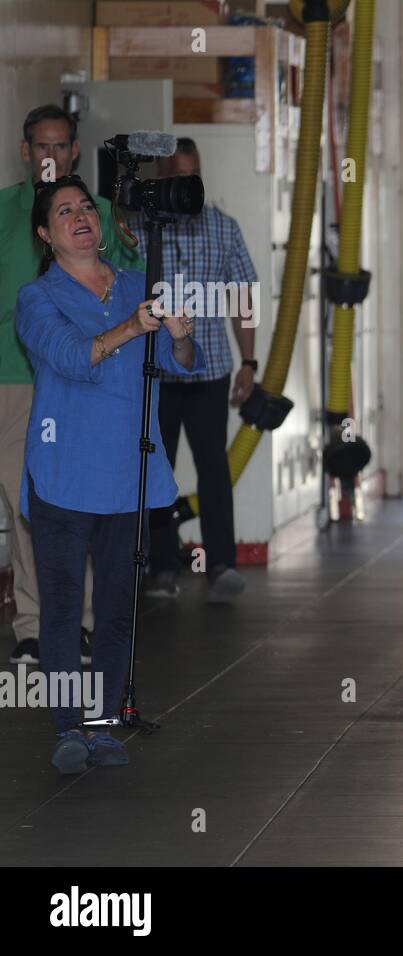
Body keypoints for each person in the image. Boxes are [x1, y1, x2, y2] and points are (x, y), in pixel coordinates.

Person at [17, 175, 204, 773]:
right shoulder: (37, 298)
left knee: (120, 607)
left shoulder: (134, 286)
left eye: (86, 208)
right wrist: (134, 327)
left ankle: (102, 726)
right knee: (66, 607)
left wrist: (178, 336)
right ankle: (68, 727)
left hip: (129, 474)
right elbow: (74, 357)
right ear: (46, 234)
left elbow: (181, 364)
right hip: (65, 476)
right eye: (63, 211)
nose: (80, 216)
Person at [0, 105, 140, 666]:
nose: (50, 156)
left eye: (60, 147)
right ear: (25, 151)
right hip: (14, 374)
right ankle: (36, 625)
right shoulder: (9, 211)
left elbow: (132, 279)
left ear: (75, 151)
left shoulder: (101, 212)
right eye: (41, 147)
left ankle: (75, 623)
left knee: (69, 499)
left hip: (75, 377)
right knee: (25, 502)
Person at [135, 138, 255, 604]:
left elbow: (243, 298)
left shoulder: (224, 228)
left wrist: (249, 362)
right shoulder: (141, 230)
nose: (188, 184)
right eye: (179, 176)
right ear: (163, 177)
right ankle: (162, 567)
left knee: (214, 469)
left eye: (194, 175)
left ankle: (220, 563)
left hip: (211, 373)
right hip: (158, 374)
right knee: (157, 471)